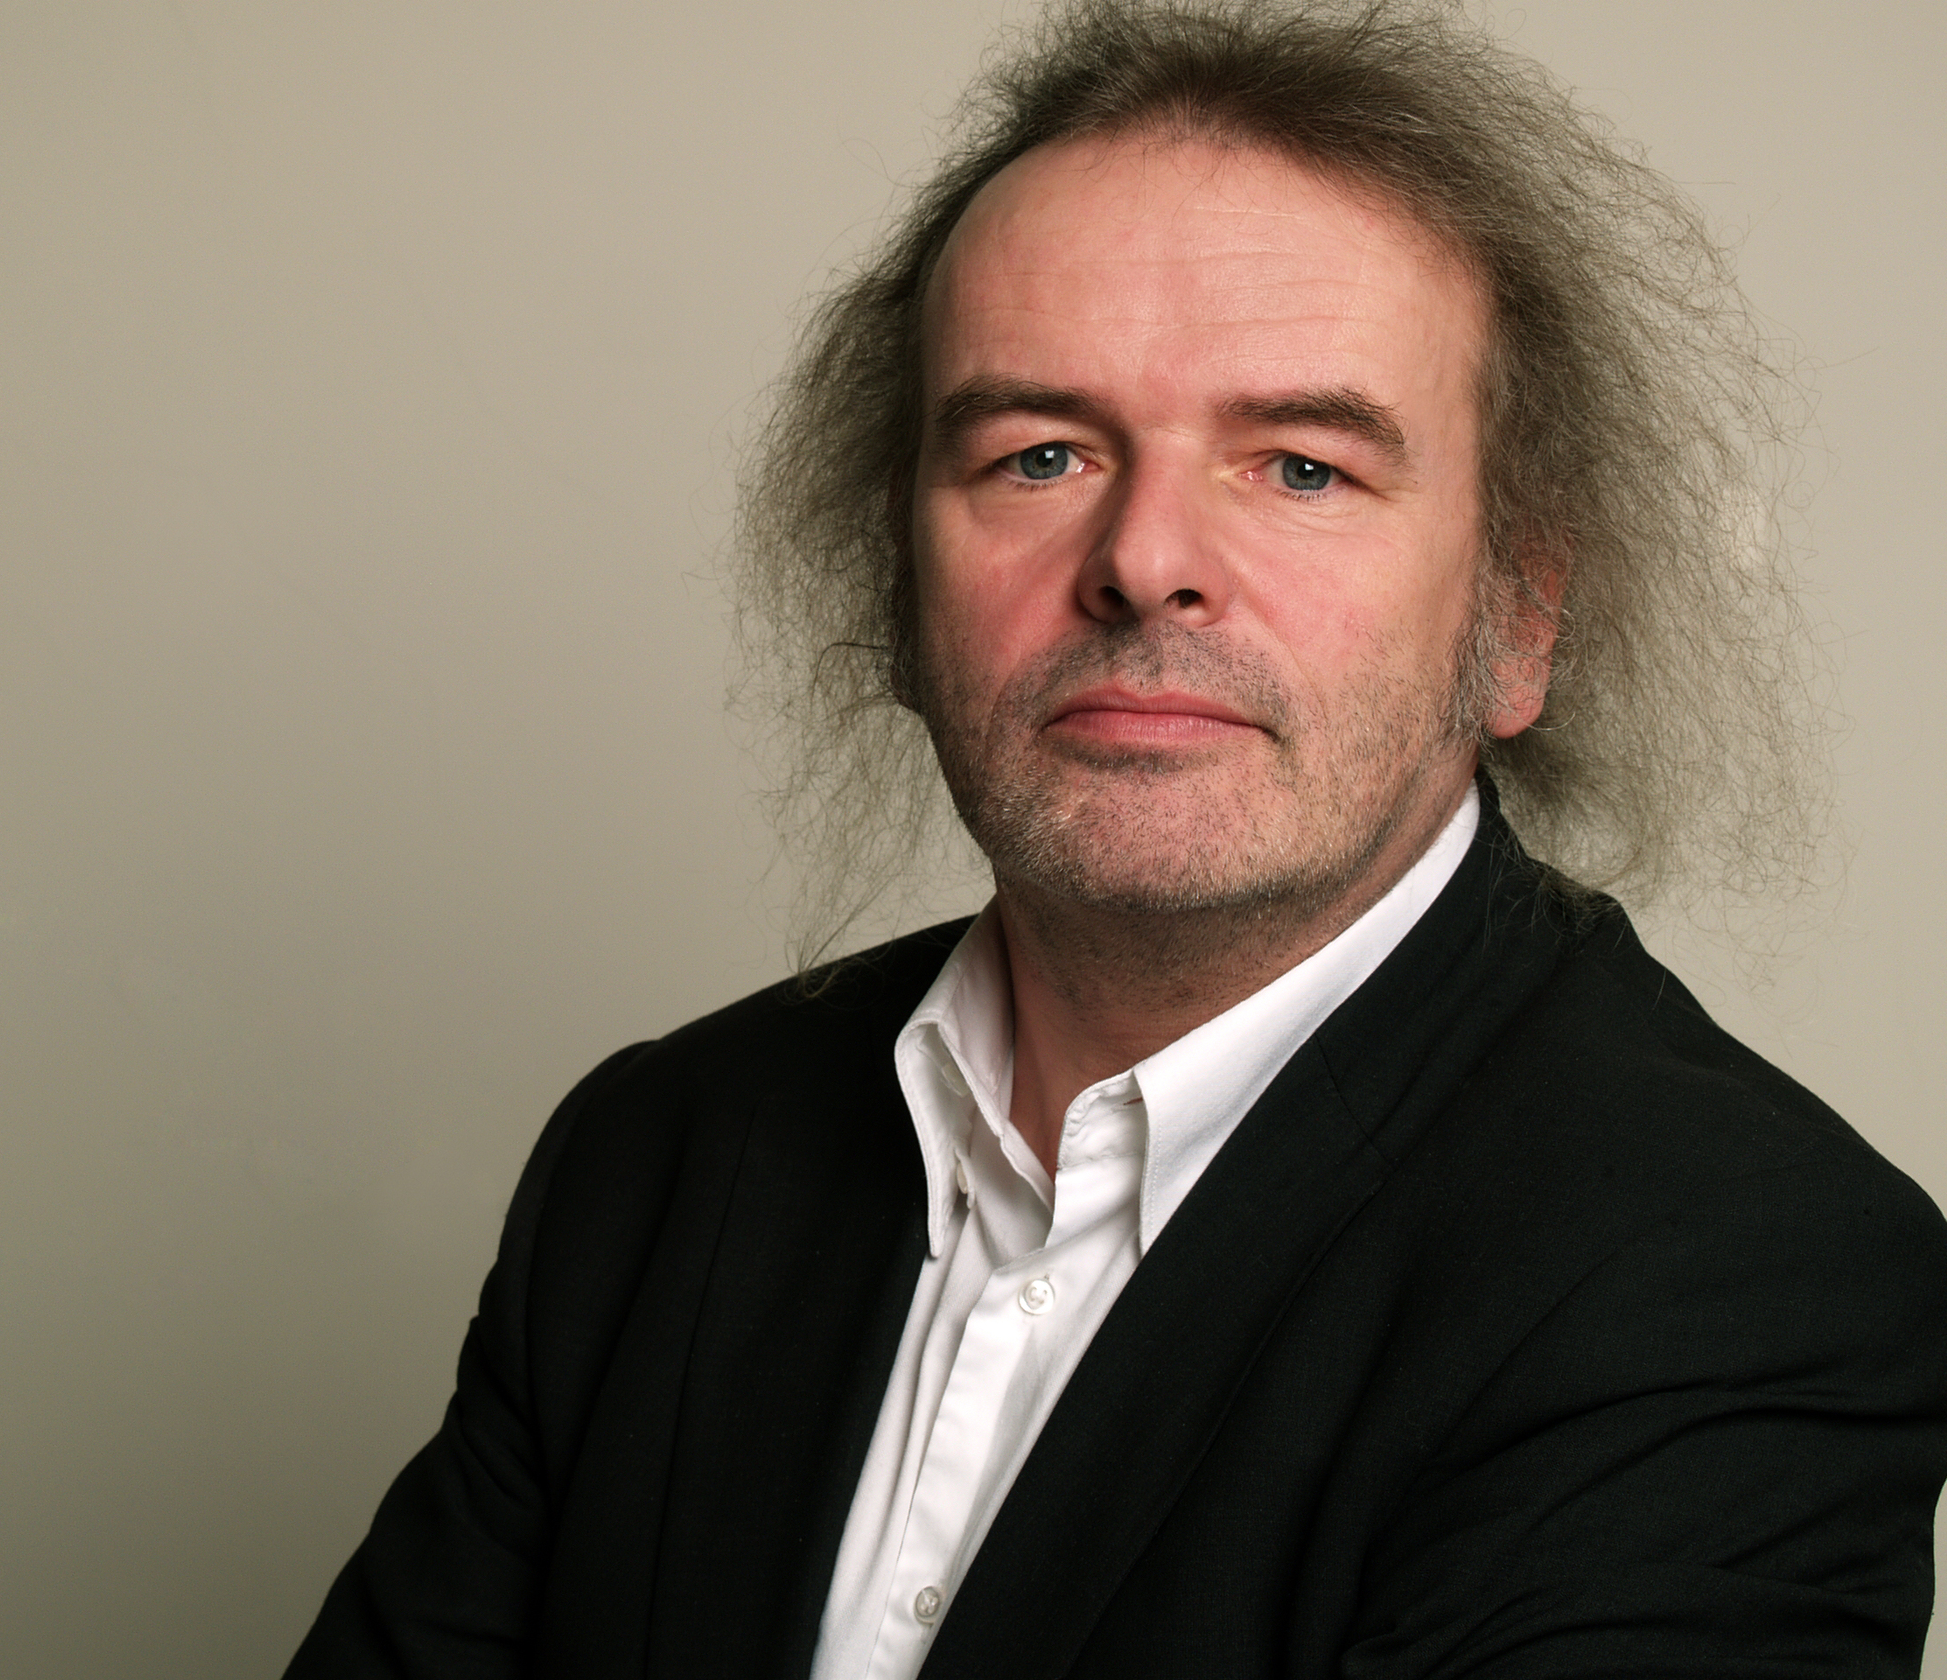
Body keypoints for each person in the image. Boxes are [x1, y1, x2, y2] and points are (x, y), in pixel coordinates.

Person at [285, 2, 1947, 1675]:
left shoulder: (1738, 1272)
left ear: (1519, 615)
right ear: (899, 590)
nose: (1146, 560)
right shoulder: (657, 1159)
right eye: (1041, 455)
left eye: (1300, 467)